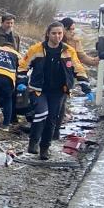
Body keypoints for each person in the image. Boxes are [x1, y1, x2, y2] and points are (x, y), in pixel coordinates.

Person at [17, 22, 91, 160]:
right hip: (39, 89)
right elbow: (23, 66)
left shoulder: (68, 51)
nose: (57, 36)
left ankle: (44, 148)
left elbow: (78, 69)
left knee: (52, 119)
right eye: (54, 33)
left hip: (59, 91)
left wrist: (85, 86)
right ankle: (33, 142)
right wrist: (21, 82)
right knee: (41, 112)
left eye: (60, 33)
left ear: (63, 34)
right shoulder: (37, 49)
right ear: (48, 34)